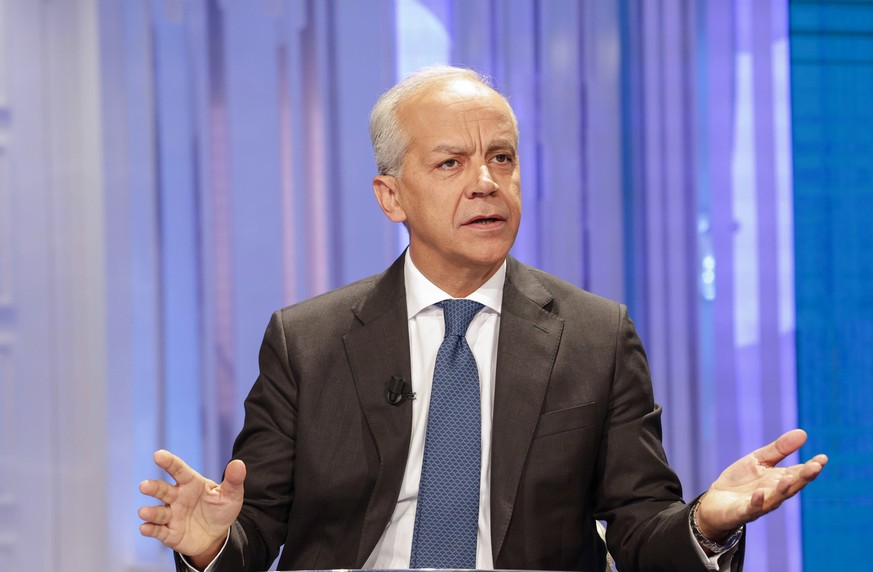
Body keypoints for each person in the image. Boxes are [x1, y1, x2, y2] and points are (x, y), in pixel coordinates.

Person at [138, 66, 827, 572]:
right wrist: (210, 544)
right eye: (451, 163)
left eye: (502, 158)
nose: (486, 183)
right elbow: (255, 528)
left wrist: (705, 523)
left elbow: (641, 531)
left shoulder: (595, 336)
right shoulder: (307, 341)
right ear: (390, 196)